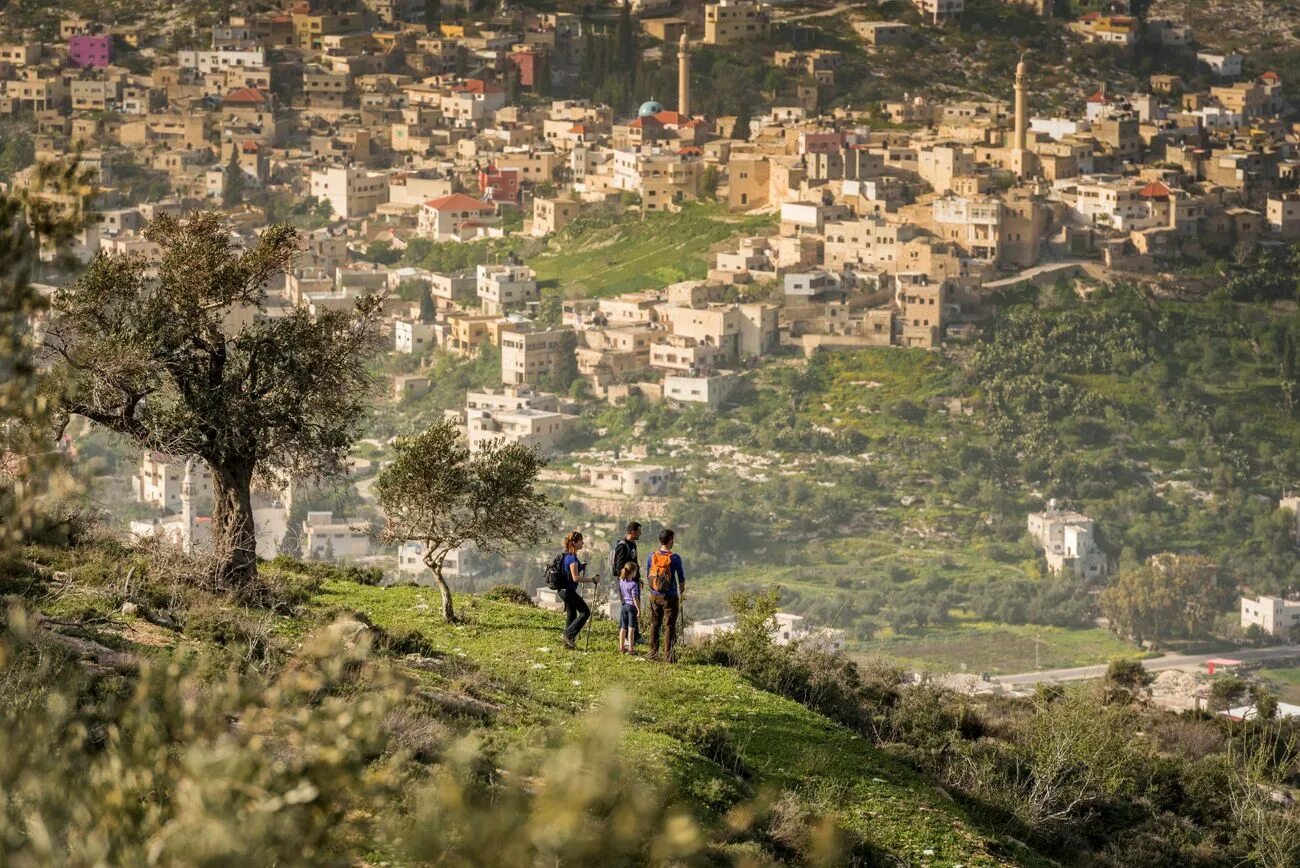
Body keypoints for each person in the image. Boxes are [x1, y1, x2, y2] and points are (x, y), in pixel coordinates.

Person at [645, 528, 685, 662]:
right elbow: (681, 578)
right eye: (673, 539)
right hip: (670, 596)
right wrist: (682, 590)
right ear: (670, 541)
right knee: (669, 626)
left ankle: (653, 652)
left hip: (654, 595)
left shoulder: (652, 556)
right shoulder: (674, 558)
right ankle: (668, 656)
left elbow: (648, 574)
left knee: (654, 624)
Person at [559, 530, 599, 650]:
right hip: (568, 592)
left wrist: (581, 566)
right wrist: (592, 580)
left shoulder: (567, 555)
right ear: (575, 543)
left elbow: (570, 573)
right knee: (585, 612)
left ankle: (568, 644)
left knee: (572, 615)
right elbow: (575, 577)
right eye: (581, 541)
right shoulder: (571, 558)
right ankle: (567, 634)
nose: (583, 543)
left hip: (563, 590)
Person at [611, 522, 641, 644]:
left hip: (634, 581)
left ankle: (635, 636)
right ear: (632, 532)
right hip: (627, 584)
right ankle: (626, 638)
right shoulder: (622, 546)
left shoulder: (633, 544)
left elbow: (635, 563)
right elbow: (619, 567)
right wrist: (628, 581)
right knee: (627, 609)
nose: (640, 534)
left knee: (633, 609)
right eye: (638, 531)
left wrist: (638, 578)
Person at [616, 561, 640, 654]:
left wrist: (623, 601)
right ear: (633, 572)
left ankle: (621, 647)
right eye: (636, 571)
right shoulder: (633, 584)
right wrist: (638, 609)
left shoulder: (621, 581)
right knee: (631, 628)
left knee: (623, 627)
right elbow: (635, 598)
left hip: (624, 605)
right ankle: (631, 649)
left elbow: (620, 593)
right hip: (631, 607)